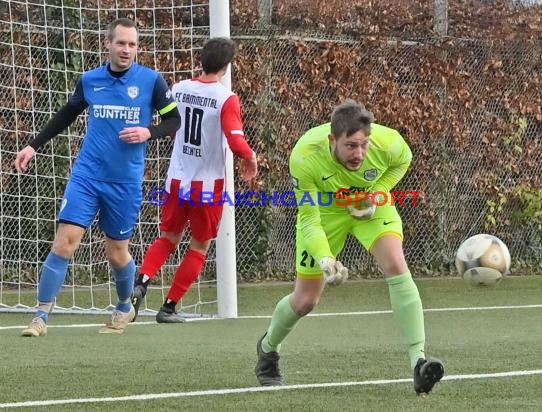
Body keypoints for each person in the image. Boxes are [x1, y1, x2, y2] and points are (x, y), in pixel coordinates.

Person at [254, 99, 444, 395]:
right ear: (333, 140)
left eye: (364, 145)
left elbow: (402, 161)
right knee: (305, 301)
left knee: (395, 261)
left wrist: (378, 193)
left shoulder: (389, 143)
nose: (360, 154)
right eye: (351, 146)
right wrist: (325, 259)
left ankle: (418, 362)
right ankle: (268, 350)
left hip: (368, 203)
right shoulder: (305, 157)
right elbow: (309, 219)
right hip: (325, 213)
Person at [15, 18, 181, 336]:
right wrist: (33, 146)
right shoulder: (91, 80)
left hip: (125, 183)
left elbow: (174, 120)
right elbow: (67, 113)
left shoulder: (151, 81)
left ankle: (124, 306)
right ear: (108, 44)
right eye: (121, 43)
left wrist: (149, 130)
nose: (126, 50)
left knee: (116, 252)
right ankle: (40, 317)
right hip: (87, 176)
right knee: (65, 242)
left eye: (132, 44)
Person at [130, 37, 257, 323]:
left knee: (167, 238)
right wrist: (250, 157)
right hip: (208, 188)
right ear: (226, 66)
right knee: (199, 246)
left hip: (176, 180)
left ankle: (142, 282)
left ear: (202, 60)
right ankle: (169, 307)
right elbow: (236, 140)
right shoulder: (226, 98)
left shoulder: (179, 88)